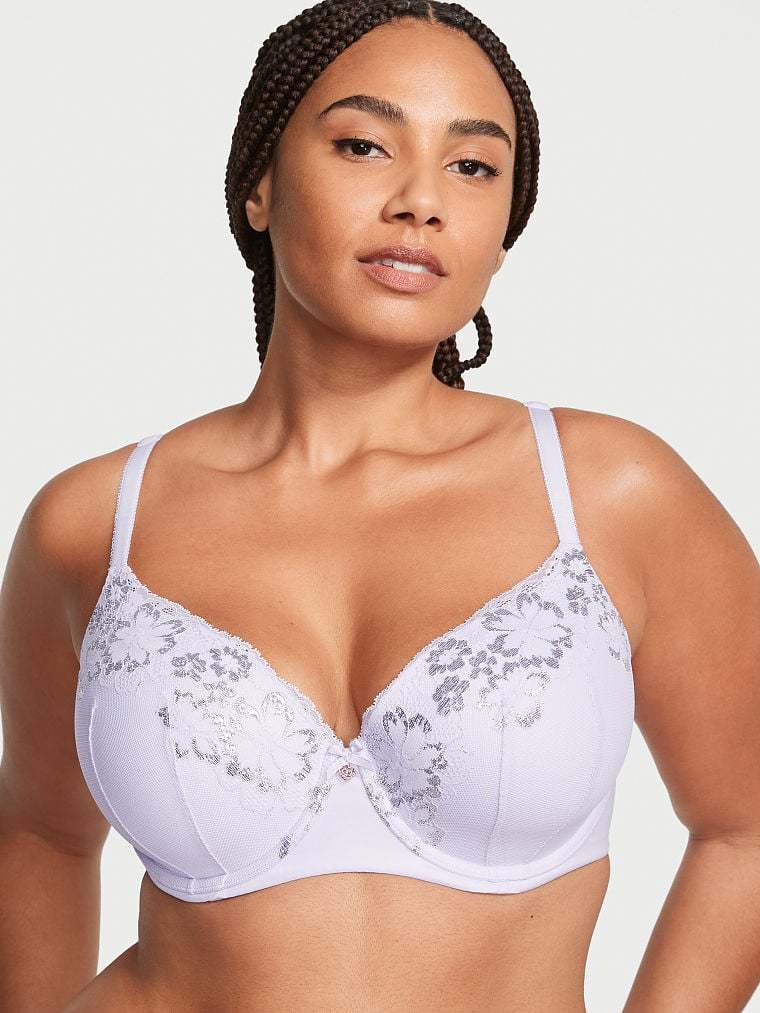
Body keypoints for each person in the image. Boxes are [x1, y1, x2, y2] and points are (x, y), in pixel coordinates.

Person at [2, 2, 759, 1011]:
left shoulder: (610, 492)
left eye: (472, 166)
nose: (421, 202)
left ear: (504, 229)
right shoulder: (92, 520)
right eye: (363, 145)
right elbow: (44, 835)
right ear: (260, 184)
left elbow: (745, 827)